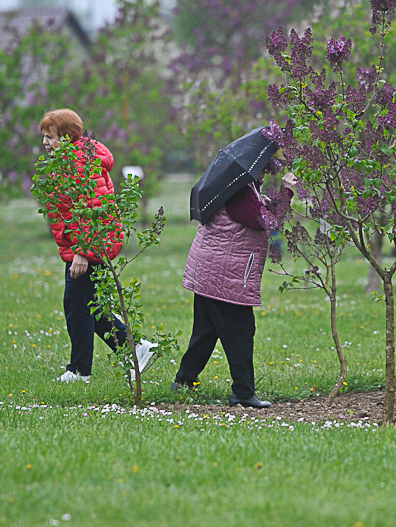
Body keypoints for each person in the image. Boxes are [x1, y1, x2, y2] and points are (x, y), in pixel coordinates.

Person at [39, 108, 154, 383]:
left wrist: (82, 252)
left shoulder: (80, 164)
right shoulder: (69, 161)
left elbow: (93, 209)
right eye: (44, 137)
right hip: (85, 247)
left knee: (77, 306)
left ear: (66, 137)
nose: (45, 143)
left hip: (87, 248)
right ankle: (134, 348)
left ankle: (79, 371)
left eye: (50, 137)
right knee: (89, 305)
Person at [173, 168, 297, 407]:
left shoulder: (236, 184)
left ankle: (183, 381)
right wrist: (287, 191)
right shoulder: (240, 191)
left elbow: (259, 213)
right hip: (225, 273)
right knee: (241, 330)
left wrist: (270, 198)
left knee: (206, 330)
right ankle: (243, 392)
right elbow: (268, 221)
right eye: (265, 167)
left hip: (210, 269)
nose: (267, 170)